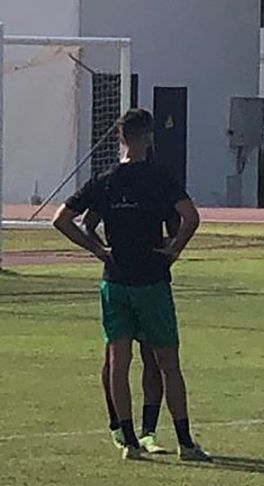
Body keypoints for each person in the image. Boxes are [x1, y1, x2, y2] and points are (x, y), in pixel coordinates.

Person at [52, 108, 209, 461]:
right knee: (168, 361)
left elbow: (61, 219)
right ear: (149, 137)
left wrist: (97, 250)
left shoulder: (106, 180)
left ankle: (130, 442)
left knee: (118, 361)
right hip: (152, 279)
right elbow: (191, 218)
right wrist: (174, 250)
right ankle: (185, 442)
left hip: (115, 280)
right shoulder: (160, 176)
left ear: (120, 139)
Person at [83, 209, 172, 453]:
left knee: (152, 358)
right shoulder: (109, 185)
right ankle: (119, 425)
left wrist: (169, 249)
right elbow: (85, 223)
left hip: (150, 281)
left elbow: (178, 222)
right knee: (115, 359)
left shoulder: (158, 183)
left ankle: (148, 432)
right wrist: (101, 250)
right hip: (118, 281)